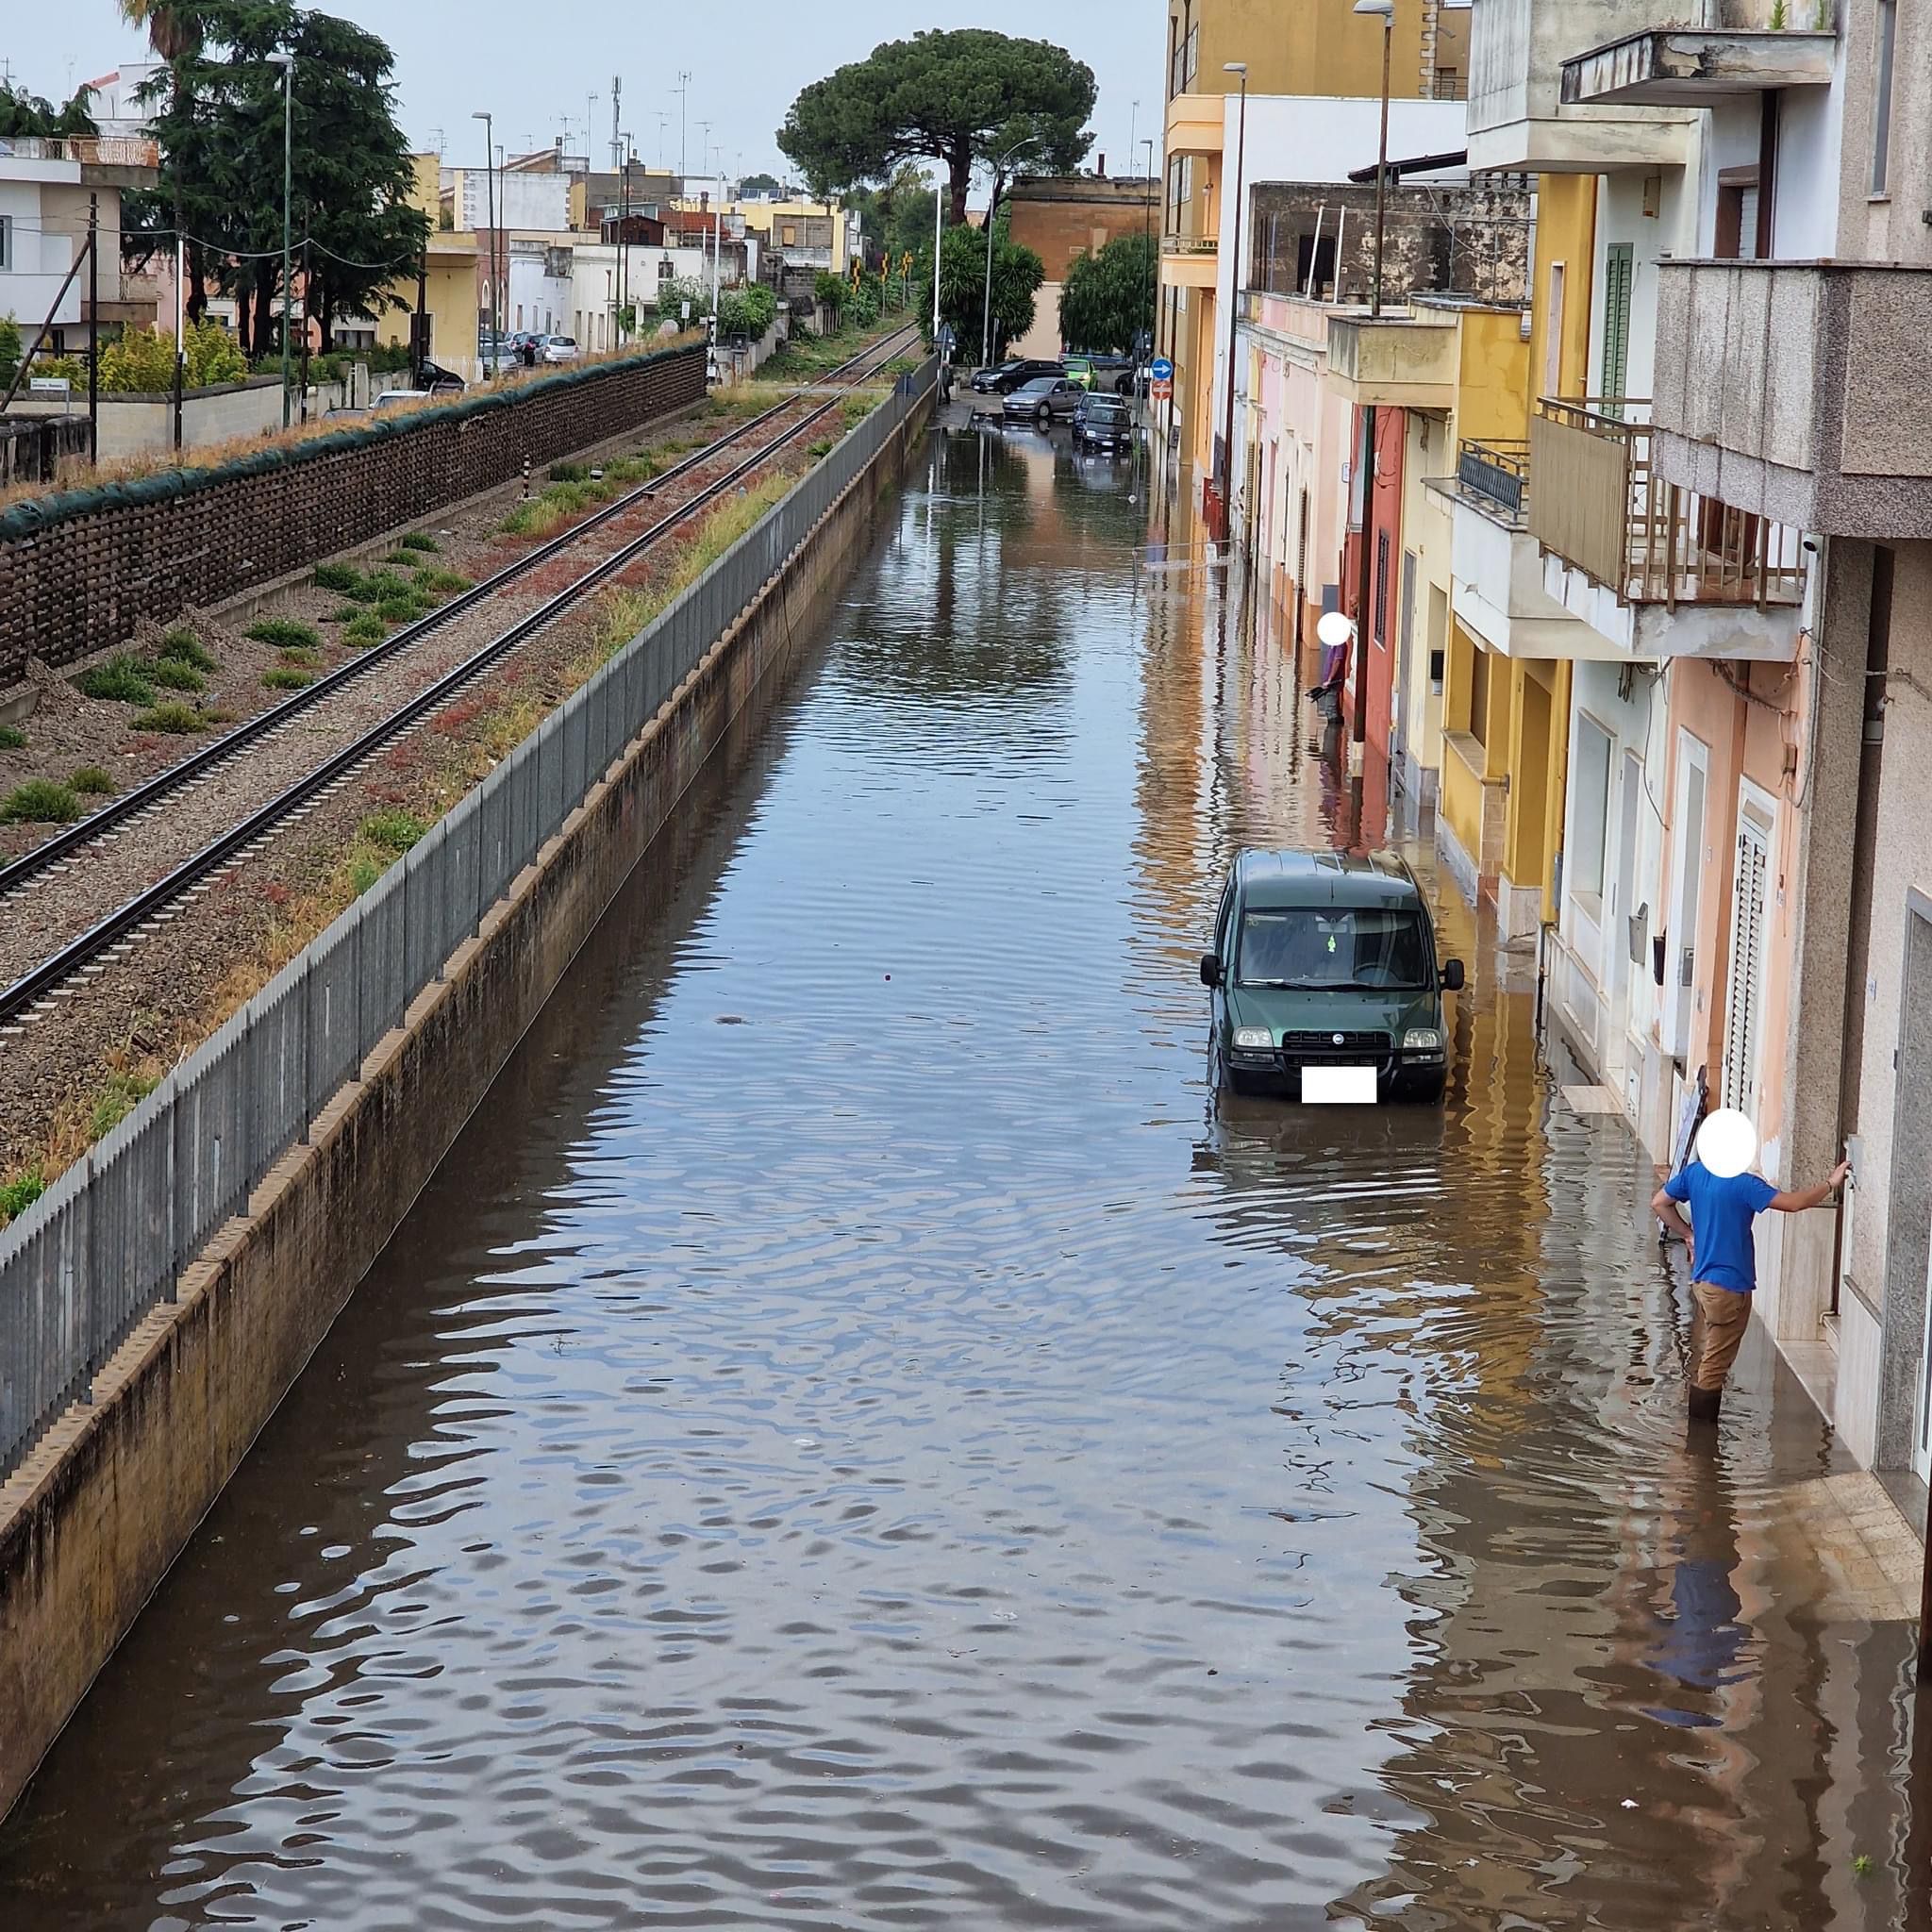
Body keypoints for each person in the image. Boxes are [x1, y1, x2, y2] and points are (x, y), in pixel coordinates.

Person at [1649, 1108, 1850, 1424]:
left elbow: (1659, 1202)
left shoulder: (1695, 1173)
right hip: (1730, 1289)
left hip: (1704, 1283)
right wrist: (1830, 1182)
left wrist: (1690, 1235)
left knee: (1709, 1356)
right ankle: (1699, 1452)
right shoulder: (1745, 1185)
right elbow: (1795, 1204)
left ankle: (1696, 1443)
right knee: (1713, 1368)